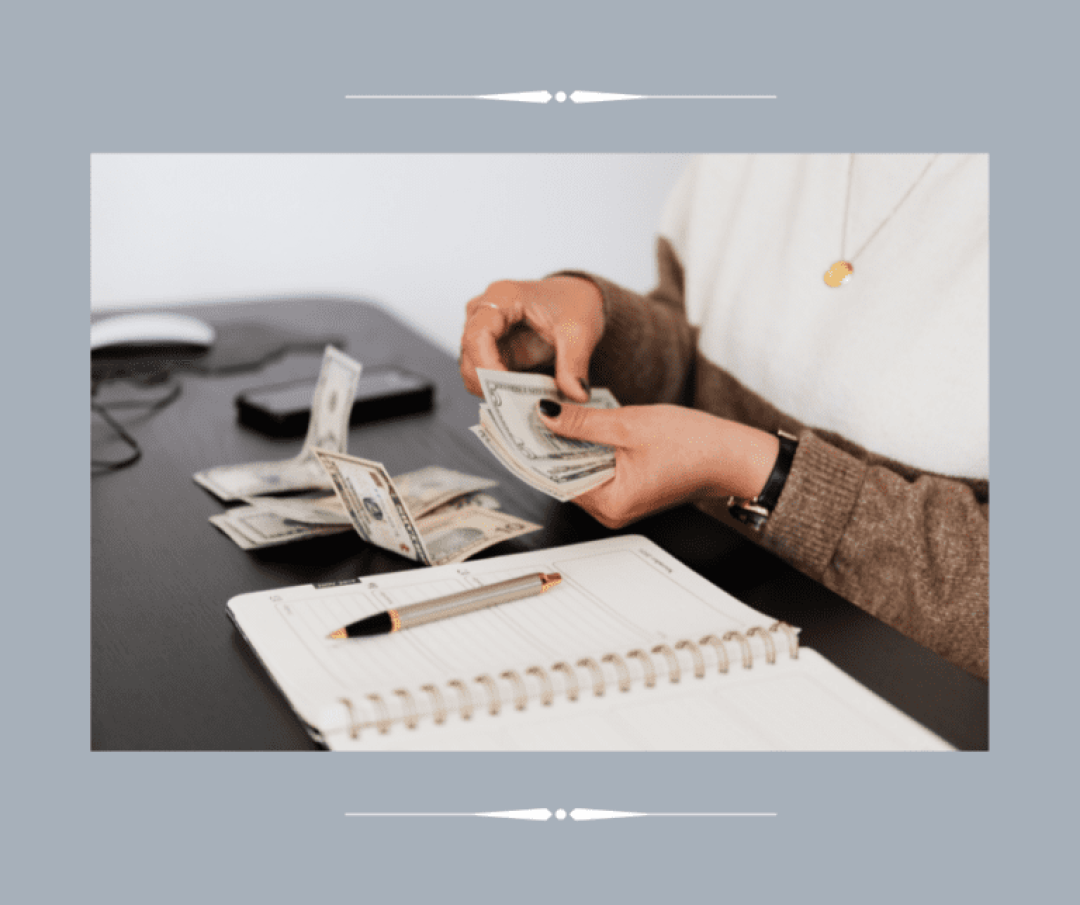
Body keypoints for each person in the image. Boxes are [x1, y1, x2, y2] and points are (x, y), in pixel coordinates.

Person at [459, 154, 988, 681]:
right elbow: (702, 345)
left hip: (905, 692)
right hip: (693, 619)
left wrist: (762, 474)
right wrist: (602, 324)